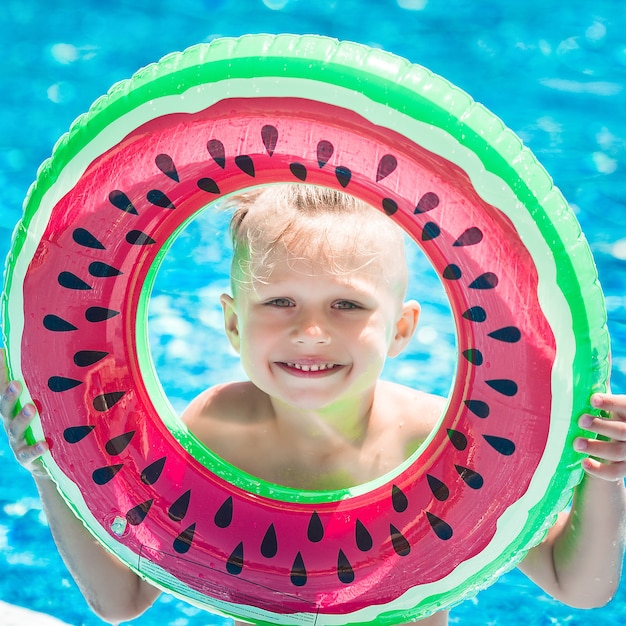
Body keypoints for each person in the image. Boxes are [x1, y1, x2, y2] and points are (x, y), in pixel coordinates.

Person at [1, 183, 626, 626]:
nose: (311, 333)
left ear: (403, 330)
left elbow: (580, 587)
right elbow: (121, 600)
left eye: (347, 306)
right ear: (232, 324)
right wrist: (50, 468)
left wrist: (604, 477)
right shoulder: (212, 433)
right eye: (279, 303)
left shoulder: (439, 438)